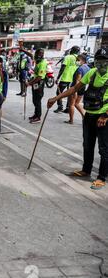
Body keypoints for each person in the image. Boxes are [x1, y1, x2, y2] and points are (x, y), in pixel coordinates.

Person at [47, 47, 108, 190]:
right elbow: (74, 88)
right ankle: (86, 170)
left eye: (104, 62)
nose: (101, 65)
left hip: (104, 117)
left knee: (104, 149)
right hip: (90, 115)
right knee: (87, 145)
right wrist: (56, 98)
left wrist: (105, 115)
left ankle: (101, 177)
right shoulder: (92, 73)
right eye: (98, 61)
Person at [54, 45, 80, 113]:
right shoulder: (79, 58)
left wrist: (58, 77)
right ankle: (68, 107)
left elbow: (63, 68)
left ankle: (60, 107)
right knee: (70, 93)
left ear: (71, 50)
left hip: (65, 78)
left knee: (59, 92)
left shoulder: (68, 57)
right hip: (74, 79)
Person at [66, 54, 90, 124]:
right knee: (77, 103)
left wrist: (75, 91)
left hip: (76, 88)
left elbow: (78, 80)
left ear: (82, 60)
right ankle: (84, 116)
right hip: (83, 88)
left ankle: (71, 120)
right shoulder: (88, 68)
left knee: (71, 104)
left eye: (78, 60)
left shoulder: (80, 68)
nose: (76, 61)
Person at [26, 48, 48, 124]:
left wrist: (29, 83)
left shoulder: (42, 63)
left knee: (37, 100)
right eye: (38, 53)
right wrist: (23, 50)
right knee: (34, 100)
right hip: (35, 82)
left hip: (39, 83)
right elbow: (31, 55)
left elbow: (39, 77)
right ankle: (35, 114)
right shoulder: (37, 59)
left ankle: (38, 117)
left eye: (41, 54)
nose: (39, 55)